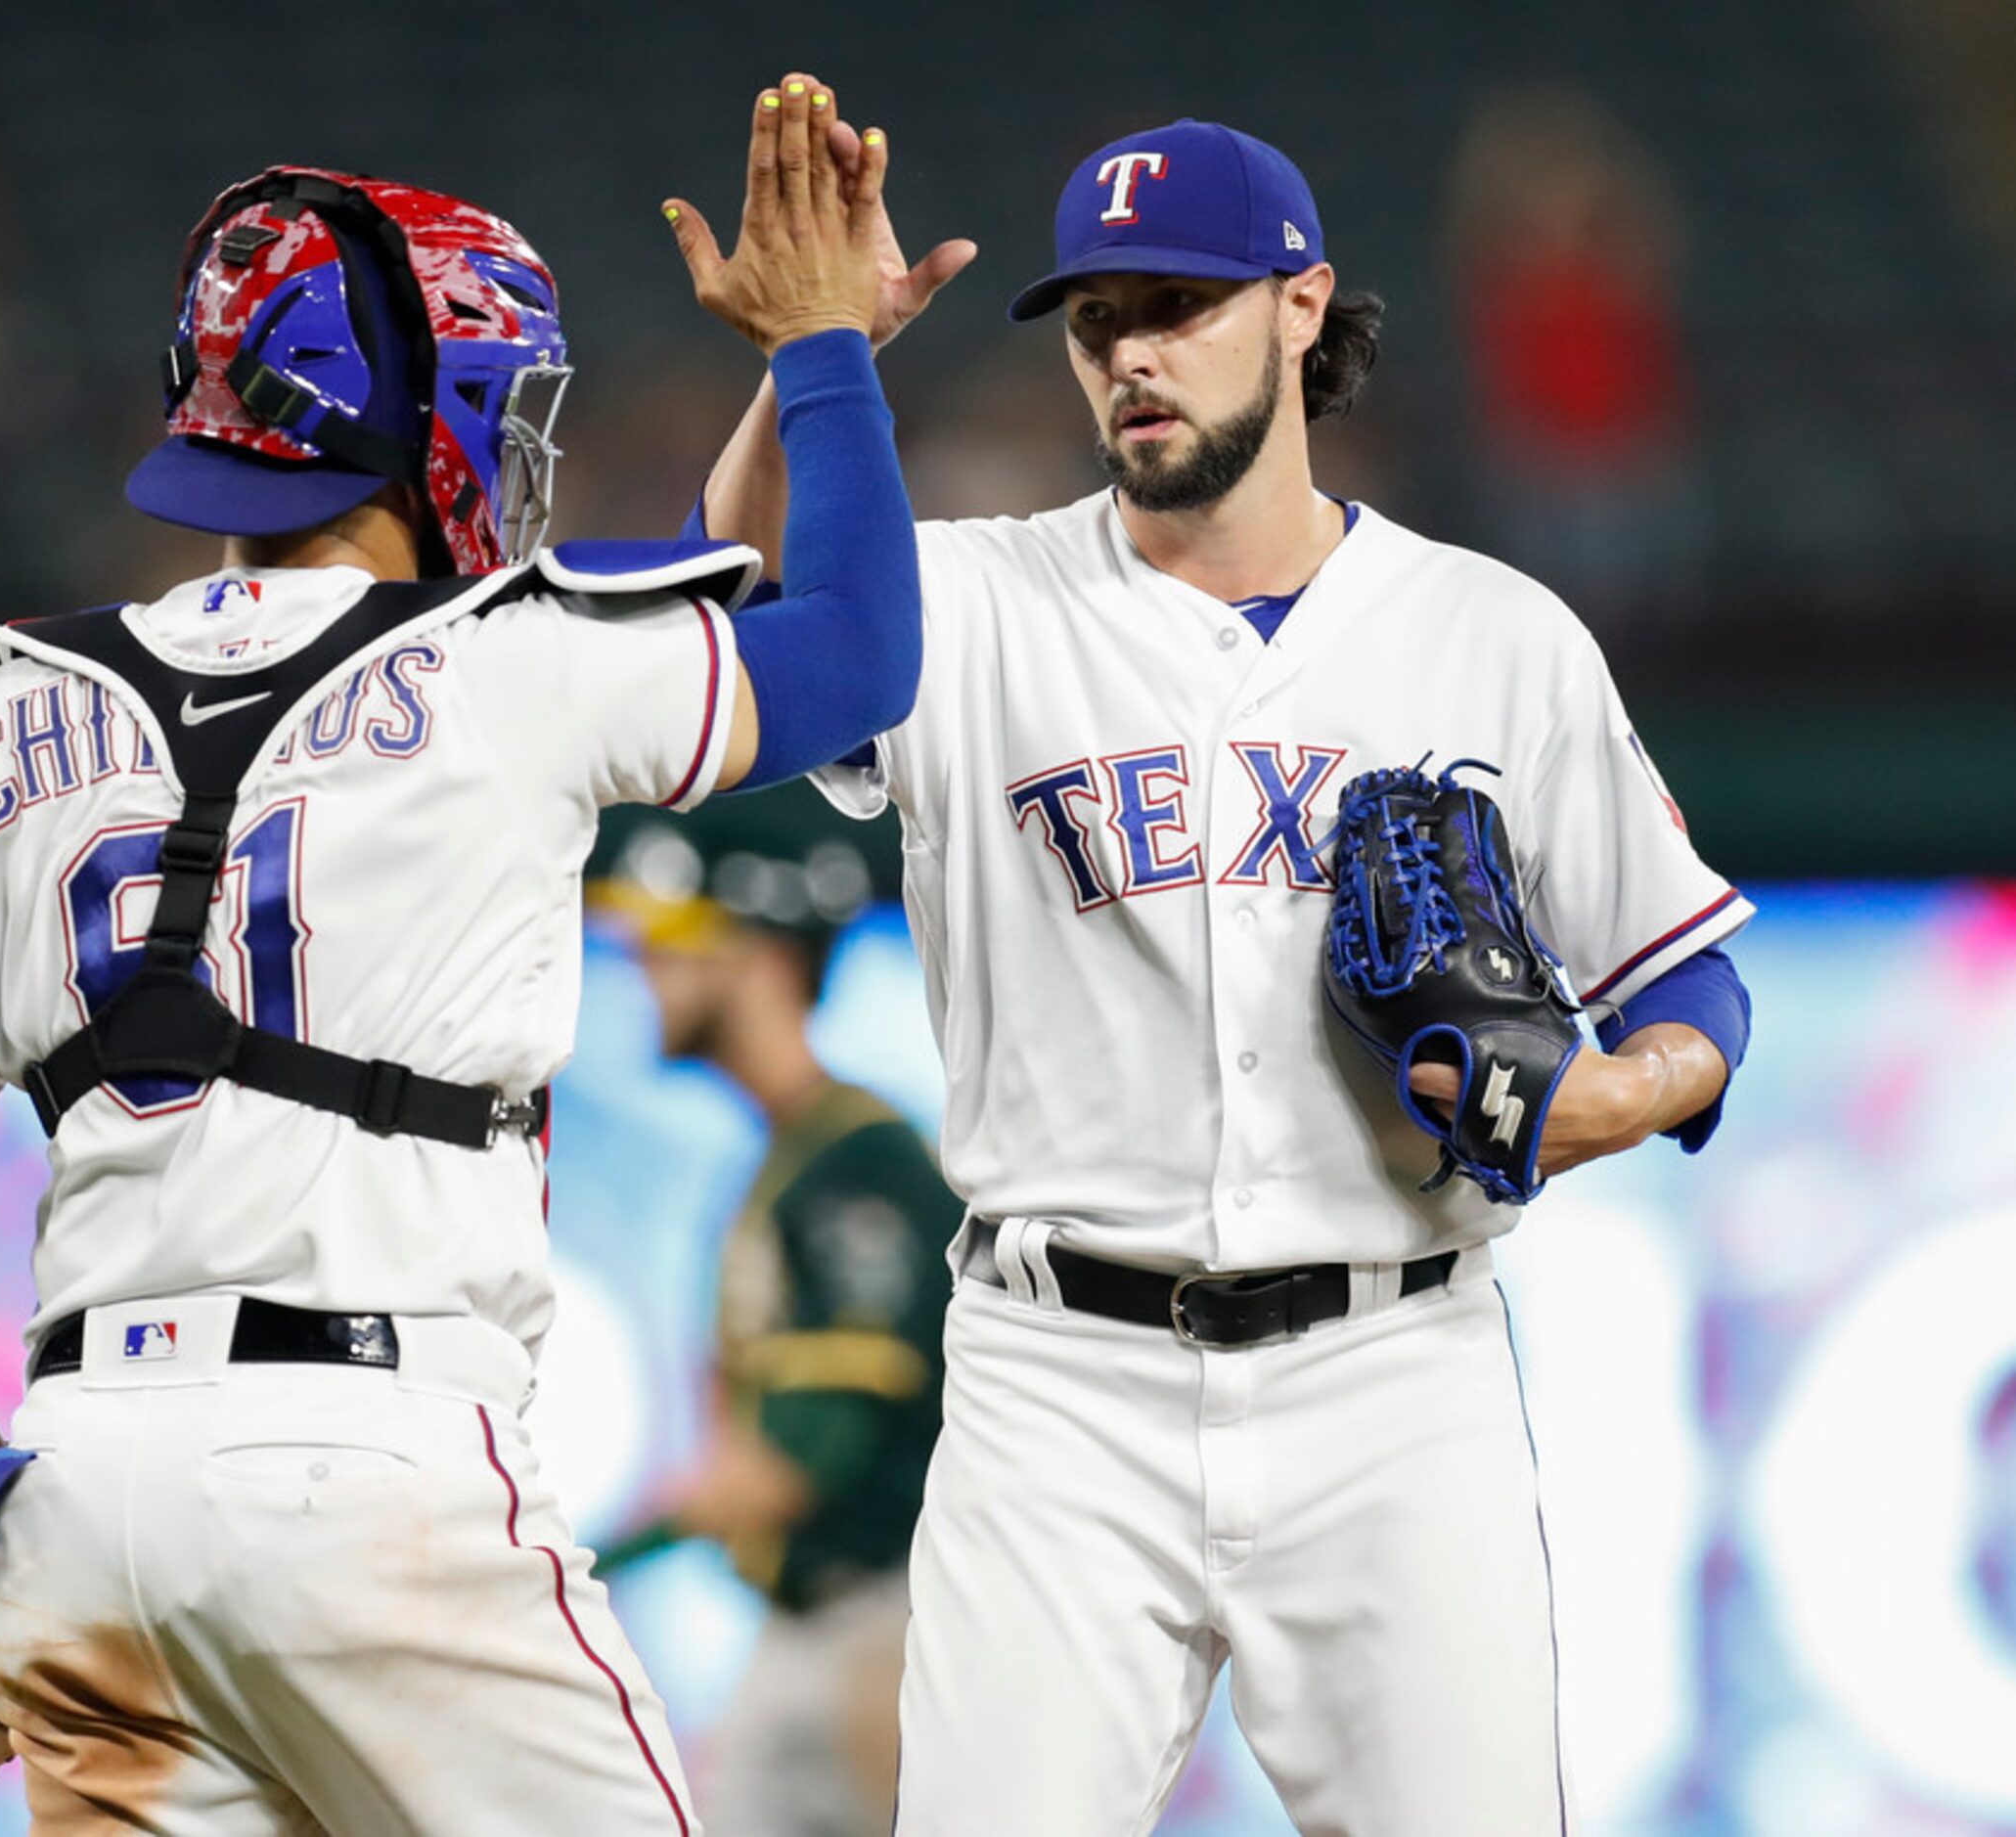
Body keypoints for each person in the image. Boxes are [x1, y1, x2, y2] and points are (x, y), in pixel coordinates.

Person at [0, 76, 918, 1834]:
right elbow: (855, 650)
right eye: (504, 406)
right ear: (433, 422)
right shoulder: (510, 659)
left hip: (76, 1490)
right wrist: (824, 352)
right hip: (370, 1466)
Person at [678, 108, 1755, 1833]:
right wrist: (808, 357)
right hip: (1052, 1383)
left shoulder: (1487, 631)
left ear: (1301, 304)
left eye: (1178, 304)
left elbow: (1687, 977)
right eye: (1098, 319)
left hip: (1390, 1374)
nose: (1131, 354)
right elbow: (716, 640)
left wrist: (1626, 1091)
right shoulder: (961, 602)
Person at [593, 826, 958, 1836]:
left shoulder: (860, 1165)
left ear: (754, 953)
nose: (639, 966)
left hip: (880, 1627)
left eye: (669, 939)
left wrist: (575, 1567)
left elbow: (803, 1454)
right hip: (821, 1622)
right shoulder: (802, 1151)